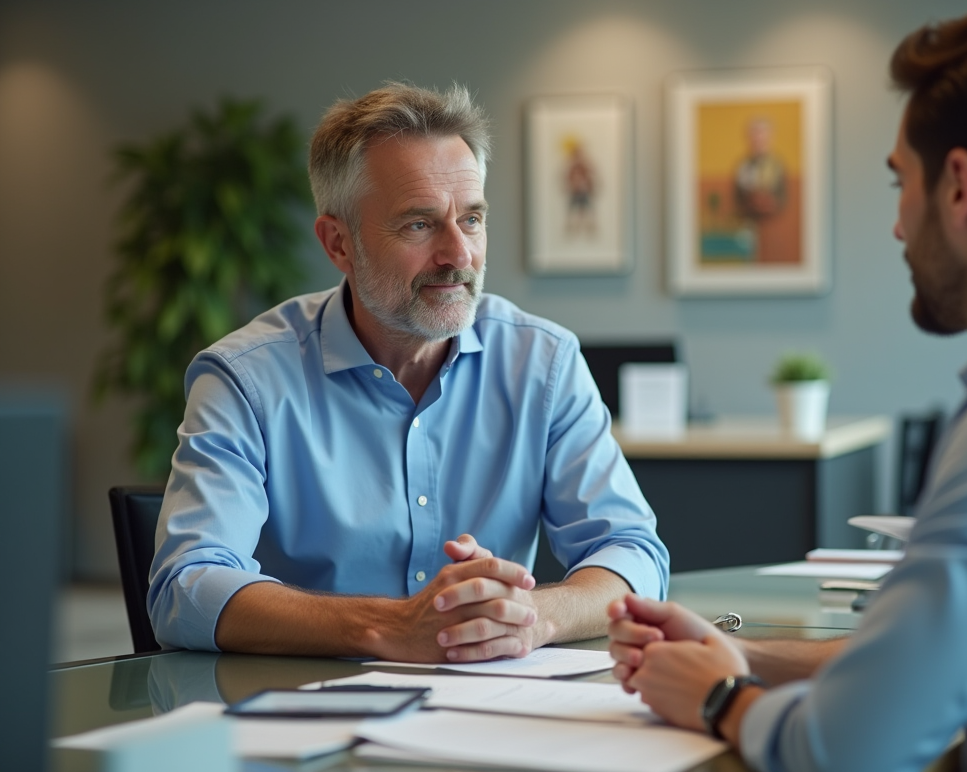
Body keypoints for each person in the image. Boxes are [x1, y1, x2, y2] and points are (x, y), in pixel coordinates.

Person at [608, 1, 967, 772]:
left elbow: (847, 751)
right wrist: (743, 654)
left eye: (901, 183)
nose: (896, 226)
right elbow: (934, 672)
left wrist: (721, 699)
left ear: (958, 187)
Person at [148, 82, 669, 663]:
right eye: (420, 225)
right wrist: (390, 626)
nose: (459, 254)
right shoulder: (246, 379)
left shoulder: (544, 362)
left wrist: (528, 619)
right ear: (338, 243)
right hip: (304, 720)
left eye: (471, 219)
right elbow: (185, 588)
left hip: (494, 715)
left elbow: (630, 552)